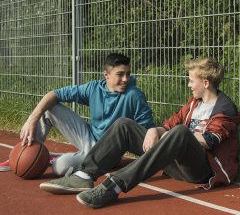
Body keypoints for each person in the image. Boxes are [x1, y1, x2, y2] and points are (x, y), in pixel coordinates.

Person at [39, 57, 240, 208]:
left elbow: (209, 140)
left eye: (191, 81)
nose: (189, 85)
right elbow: (171, 124)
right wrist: (154, 130)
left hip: (200, 169)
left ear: (205, 83)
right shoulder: (193, 103)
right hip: (174, 162)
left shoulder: (224, 108)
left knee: (180, 133)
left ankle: (116, 185)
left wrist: (173, 135)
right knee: (124, 124)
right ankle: (84, 174)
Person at [0, 53, 154, 176]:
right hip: (88, 138)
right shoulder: (94, 88)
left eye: (128, 74)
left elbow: (145, 131)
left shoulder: (134, 95)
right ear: (106, 75)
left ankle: (57, 159)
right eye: (120, 74)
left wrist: (123, 155)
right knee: (49, 108)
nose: (126, 79)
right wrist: (31, 120)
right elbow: (54, 94)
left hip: (108, 148)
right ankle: (25, 152)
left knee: (59, 168)